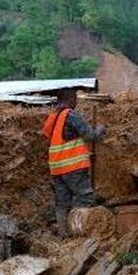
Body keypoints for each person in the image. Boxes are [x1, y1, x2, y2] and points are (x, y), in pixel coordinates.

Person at [42, 88, 106, 237]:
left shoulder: (53, 118)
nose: (76, 102)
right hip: (73, 166)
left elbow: (62, 139)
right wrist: (101, 130)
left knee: (62, 202)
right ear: (70, 99)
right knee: (85, 198)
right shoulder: (71, 115)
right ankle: (81, 233)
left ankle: (65, 235)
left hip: (57, 167)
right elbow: (89, 135)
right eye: (75, 99)